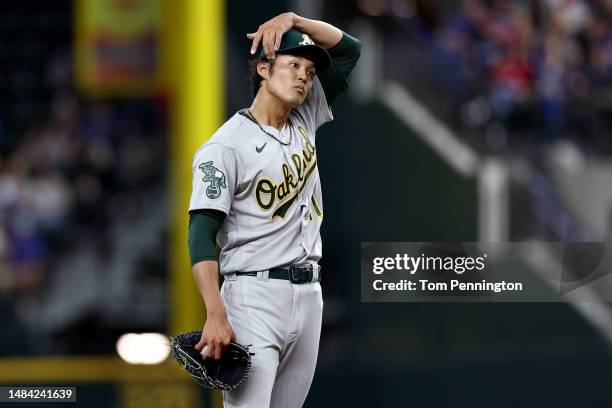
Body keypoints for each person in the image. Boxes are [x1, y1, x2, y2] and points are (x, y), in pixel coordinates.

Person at [187, 12, 361, 407]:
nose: (304, 77)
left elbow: (350, 49)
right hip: (253, 293)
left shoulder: (306, 113)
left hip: (309, 295)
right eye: (293, 65)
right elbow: (200, 233)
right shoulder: (224, 147)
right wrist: (215, 312)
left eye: (310, 71)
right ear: (264, 69)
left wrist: (295, 19)